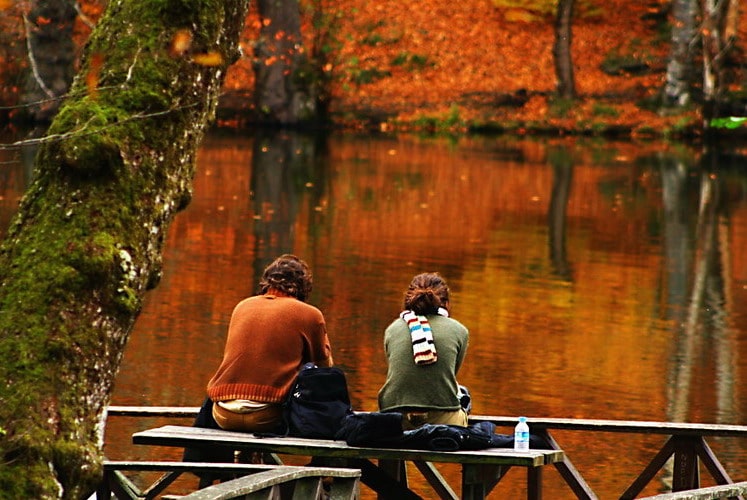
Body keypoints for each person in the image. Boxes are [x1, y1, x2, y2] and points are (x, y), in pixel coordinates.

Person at [205, 254, 334, 433]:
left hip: (221, 413)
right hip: (267, 417)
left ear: (267, 281)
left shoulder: (242, 306)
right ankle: (321, 458)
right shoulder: (310, 314)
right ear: (304, 286)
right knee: (316, 376)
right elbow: (325, 369)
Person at [378, 272, 470, 430]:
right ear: (446, 303)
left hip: (394, 419)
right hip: (443, 419)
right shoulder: (459, 330)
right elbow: (450, 373)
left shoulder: (393, 329)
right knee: (464, 394)